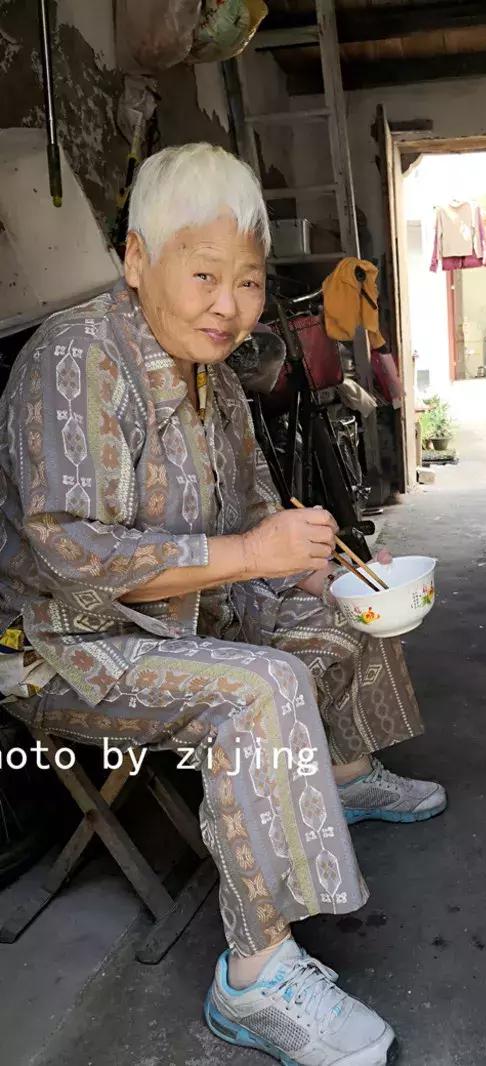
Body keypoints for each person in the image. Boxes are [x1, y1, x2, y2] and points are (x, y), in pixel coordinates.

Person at [0, 143, 446, 1066]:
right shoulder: (75, 359)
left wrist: (315, 568)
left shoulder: (212, 373)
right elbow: (71, 556)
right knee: (260, 690)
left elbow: (251, 516)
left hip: (187, 611)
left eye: (246, 282)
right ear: (136, 260)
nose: (228, 306)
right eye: (203, 275)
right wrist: (250, 556)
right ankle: (254, 979)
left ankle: (345, 775)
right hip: (66, 641)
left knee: (346, 606)